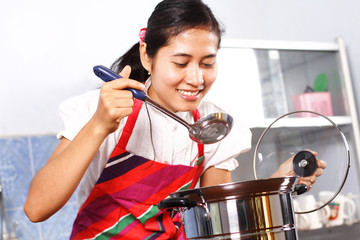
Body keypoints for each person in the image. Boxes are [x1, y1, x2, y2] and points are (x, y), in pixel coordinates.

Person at [24, 0, 326, 239]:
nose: (196, 78)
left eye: (207, 63)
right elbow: (36, 208)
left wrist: (276, 185)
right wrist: (99, 125)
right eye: (181, 63)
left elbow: (216, 220)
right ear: (147, 56)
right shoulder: (101, 109)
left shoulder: (214, 125)